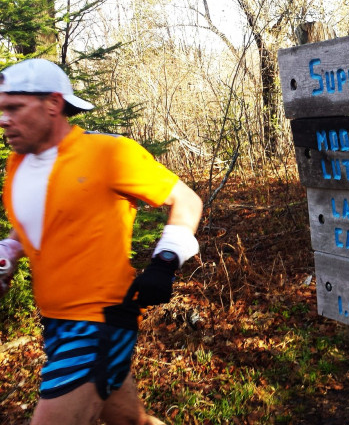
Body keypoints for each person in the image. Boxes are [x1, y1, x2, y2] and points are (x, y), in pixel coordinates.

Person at [0, 58, 202, 424]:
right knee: (129, 420)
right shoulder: (18, 163)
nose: (3, 119)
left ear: (52, 104)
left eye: (14, 108)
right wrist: (9, 252)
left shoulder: (109, 153)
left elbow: (186, 200)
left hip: (100, 321)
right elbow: (39, 219)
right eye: (2, 109)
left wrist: (165, 261)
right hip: (56, 323)